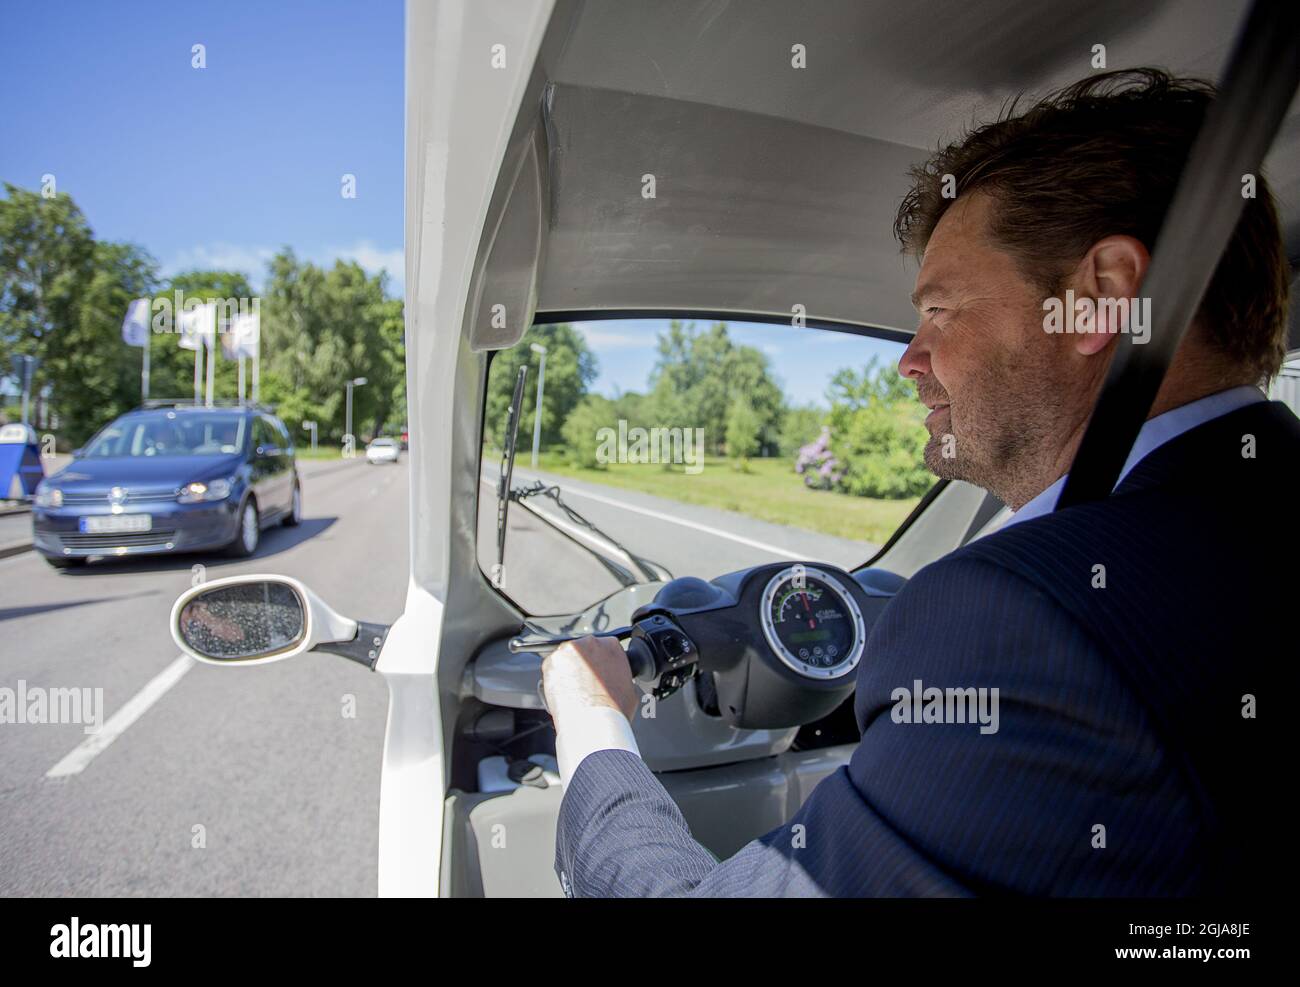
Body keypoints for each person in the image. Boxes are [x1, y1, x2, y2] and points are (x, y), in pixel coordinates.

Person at [541, 69, 1297, 897]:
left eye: (940, 311)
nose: (909, 360)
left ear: (1100, 297)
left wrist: (590, 716)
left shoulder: (1024, 621)